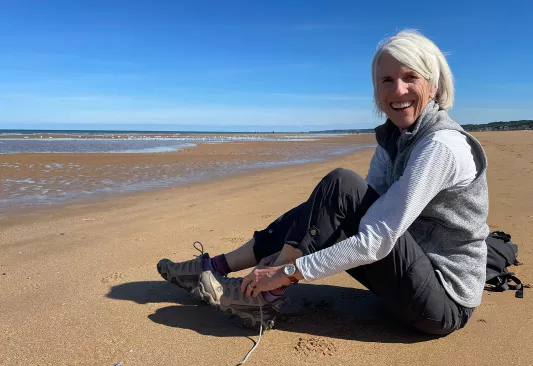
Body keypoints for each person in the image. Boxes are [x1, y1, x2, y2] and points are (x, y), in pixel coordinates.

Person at [156, 29, 489, 335]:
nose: (397, 90)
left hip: (442, 304)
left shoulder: (440, 146)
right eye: (387, 80)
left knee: (340, 185)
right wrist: (292, 252)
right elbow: (357, 211)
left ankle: (263, 296)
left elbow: (376, 239)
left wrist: (287, 270)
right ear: (376, 89)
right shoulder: (396, 140)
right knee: (320, 208)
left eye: (410, 77)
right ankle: (213, 268)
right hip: (410, 278)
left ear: (433, 85)